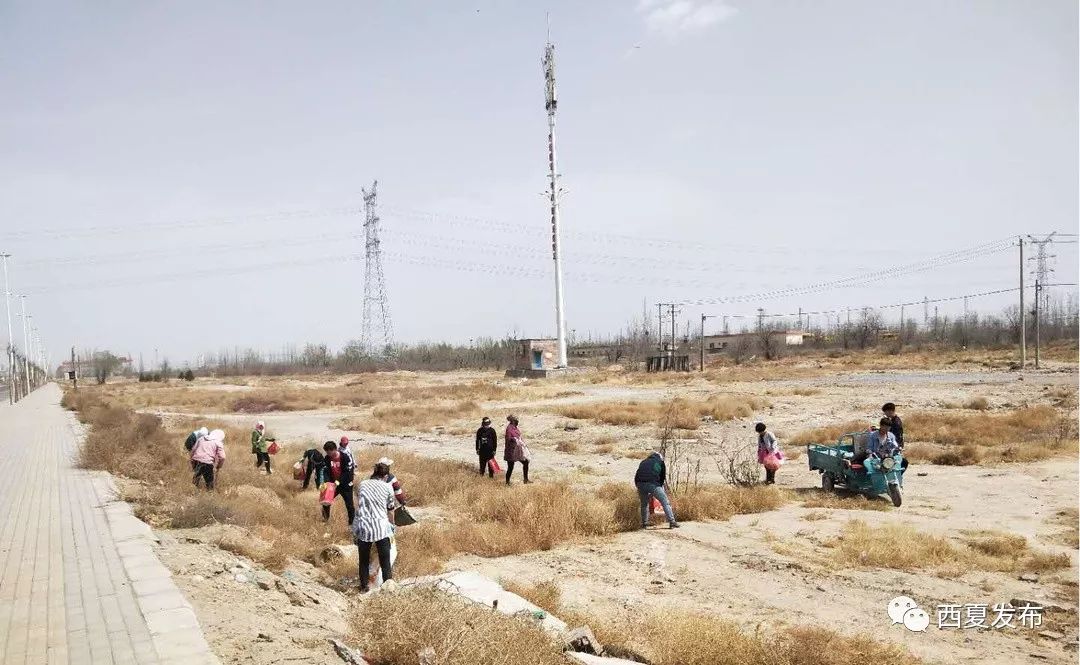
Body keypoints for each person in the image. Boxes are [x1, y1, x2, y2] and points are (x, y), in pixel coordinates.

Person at [352, 462, 397, 593]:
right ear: (385, 476)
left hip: (363, 526)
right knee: (385, 561)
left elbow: (359, 505)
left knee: (364, 560)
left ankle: (364, 587)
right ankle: (388, 588)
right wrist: (392, 526)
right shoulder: (387, 487)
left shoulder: (362, 484)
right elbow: (390, 510)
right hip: (381, 527)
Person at [633, 451, 679, 529]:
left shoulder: (643, 462)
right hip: (653, 484)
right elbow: (662, 477)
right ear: (660, 457)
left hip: (640, 483)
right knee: (665, 502)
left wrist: (638, 485)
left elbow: (637, 474)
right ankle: (672, 522)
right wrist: (659, 488)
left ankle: (644, 524)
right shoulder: (660, 462)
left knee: (644, 504)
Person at [317, 441, 355, 525]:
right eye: (327, 452)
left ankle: (351, 524)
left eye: (330, 452)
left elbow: (347, 472)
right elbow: (326, 471)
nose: (329, 454)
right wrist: (325, 483)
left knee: (349, 505)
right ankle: (325, 520)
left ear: (334, 449)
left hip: (346, 485)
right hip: (333, 485)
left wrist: (338, 481)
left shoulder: (345, 457)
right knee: (326, 502)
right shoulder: (327, 458)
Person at [503, 415, 530, 485]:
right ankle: (507, 482)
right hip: (511, 450)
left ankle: (526, 479)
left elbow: (519, 436)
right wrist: (514, 439)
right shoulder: (509, 428)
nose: (518, 422)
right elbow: (508, 439)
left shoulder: (515, 427)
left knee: (526, 462)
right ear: (513, 421)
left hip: (518, 449)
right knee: (510, 467)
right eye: (517, 420)